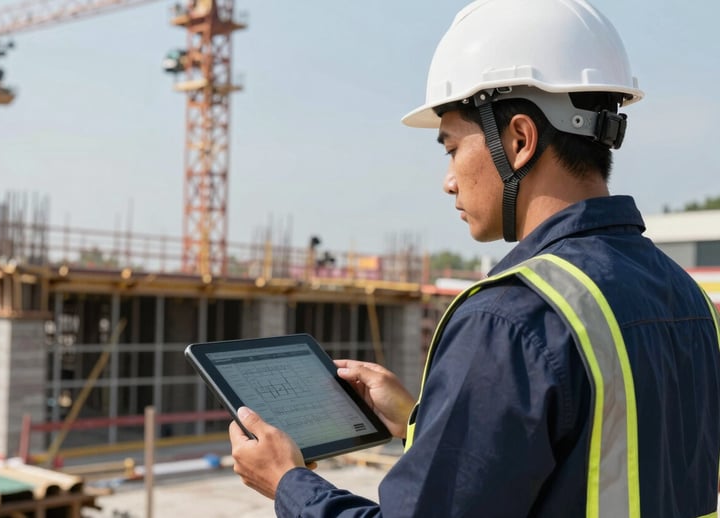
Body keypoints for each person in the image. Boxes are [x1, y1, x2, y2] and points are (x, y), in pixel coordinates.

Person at [228, 0, 720, 516]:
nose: (448, 180)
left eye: (450, 149)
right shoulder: (686, 297)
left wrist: (288, 483)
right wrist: (423, 420)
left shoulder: (510, 319)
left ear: (520, 139)